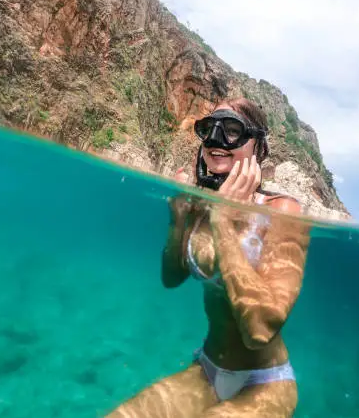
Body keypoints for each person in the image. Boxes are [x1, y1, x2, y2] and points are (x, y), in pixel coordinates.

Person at [107, 98, 311, 418]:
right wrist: (179, 219)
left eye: (232, 130)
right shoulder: (202, 203)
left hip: (264, 384)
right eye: (209, 129)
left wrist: (223, 221)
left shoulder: (281, 212)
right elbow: (171, 278)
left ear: (257, 148)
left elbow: (259, 330)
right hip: (207, 369)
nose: (217, 140)